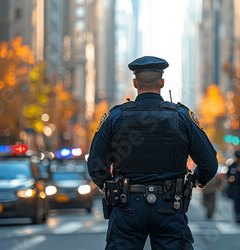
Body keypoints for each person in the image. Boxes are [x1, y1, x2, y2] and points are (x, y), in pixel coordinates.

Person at [87, 56, 218, 250]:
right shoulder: (182, 116)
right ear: (162, 82)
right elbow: (209, 164)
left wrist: (112, 187)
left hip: (126, 206)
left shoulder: (115, 117)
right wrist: (195, 181)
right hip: (170, 205)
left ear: (135, 83)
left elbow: (96, 167)